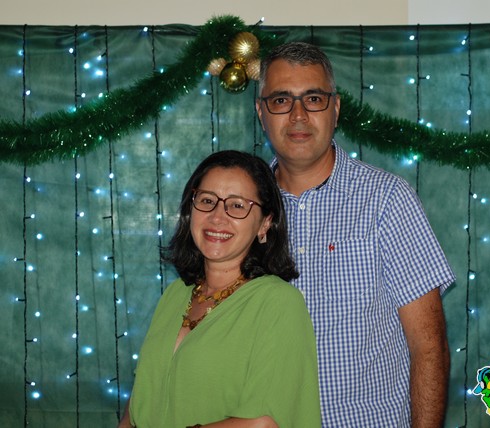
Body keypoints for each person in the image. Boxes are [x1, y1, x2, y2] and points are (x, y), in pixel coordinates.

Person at [255, 42, 456, 427]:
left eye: (313, 98)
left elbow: (429, 347)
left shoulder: (386, 199)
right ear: (261, 112)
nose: (298, 115)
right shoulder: (243, 208)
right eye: (281, 100)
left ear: (335, 108)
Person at [118, 150, 321, 428]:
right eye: (207, 200)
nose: (217, 217)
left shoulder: (279, 303)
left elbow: (263, 423)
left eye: (237, 206)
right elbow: (141, 395)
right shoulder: (176, 294)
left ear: (265, 223)